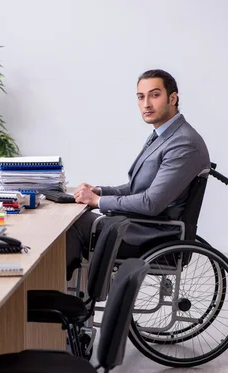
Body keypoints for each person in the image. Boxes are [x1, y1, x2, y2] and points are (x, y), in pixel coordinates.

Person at [66, 69, 210, 279]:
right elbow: (138, 187)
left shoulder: (183, 142)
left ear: (173, 98)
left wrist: (98, 201)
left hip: (153, 235)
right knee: (80, 220)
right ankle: (73, 298)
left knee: (75, 226)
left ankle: (63, 303)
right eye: (141, 97)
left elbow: (151, 203)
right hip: (143, 226)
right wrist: (100, 191)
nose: (146, 104)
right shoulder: (163, 135)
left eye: (154, 95)